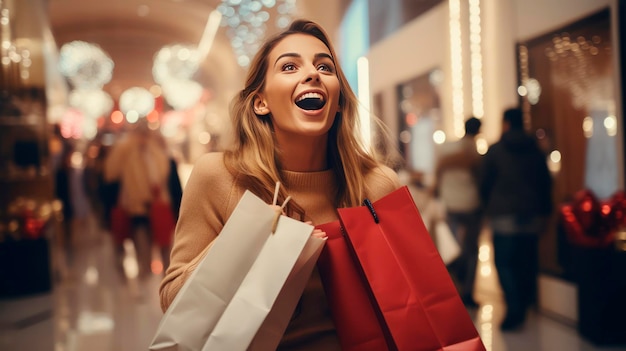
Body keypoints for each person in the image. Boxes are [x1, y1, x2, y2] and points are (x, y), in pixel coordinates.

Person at [159, 19, 401, 350]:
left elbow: (410, 299)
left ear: (339, 100)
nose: (313, 74)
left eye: (324, 67)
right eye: (289, 66)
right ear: (261, 102)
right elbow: (174, 302)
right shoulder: (218, 176)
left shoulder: (378, 185)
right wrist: (247, 237)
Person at [479, 107, 553, 331]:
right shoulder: (536, 150)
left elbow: (485, 182)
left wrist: (488, 206)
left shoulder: (496, 151)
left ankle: (514, 308)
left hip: (504, 214)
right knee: (527, 261)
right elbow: (545, 183)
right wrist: (545, 211)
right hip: (531, 214)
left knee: (505, 263)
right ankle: (525, 302)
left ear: (506, 124)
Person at [104, 121, 172, 279]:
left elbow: (162, 173)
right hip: (137, 208)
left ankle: (167, 282)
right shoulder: (126, 150)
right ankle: (144, 278)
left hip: (157, 205)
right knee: (143, 248)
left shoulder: (155, 151)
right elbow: (111, 171)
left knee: (164, 247)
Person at [433, 116, 483, 308]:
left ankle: (452, 289)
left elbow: (437, 176)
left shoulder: (446, 148)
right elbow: (480, 179)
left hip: (450, 204)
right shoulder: (475, 152)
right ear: (478, 131)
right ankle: (468, 292)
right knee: (470, 251)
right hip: (471, 204)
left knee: (451, 249)